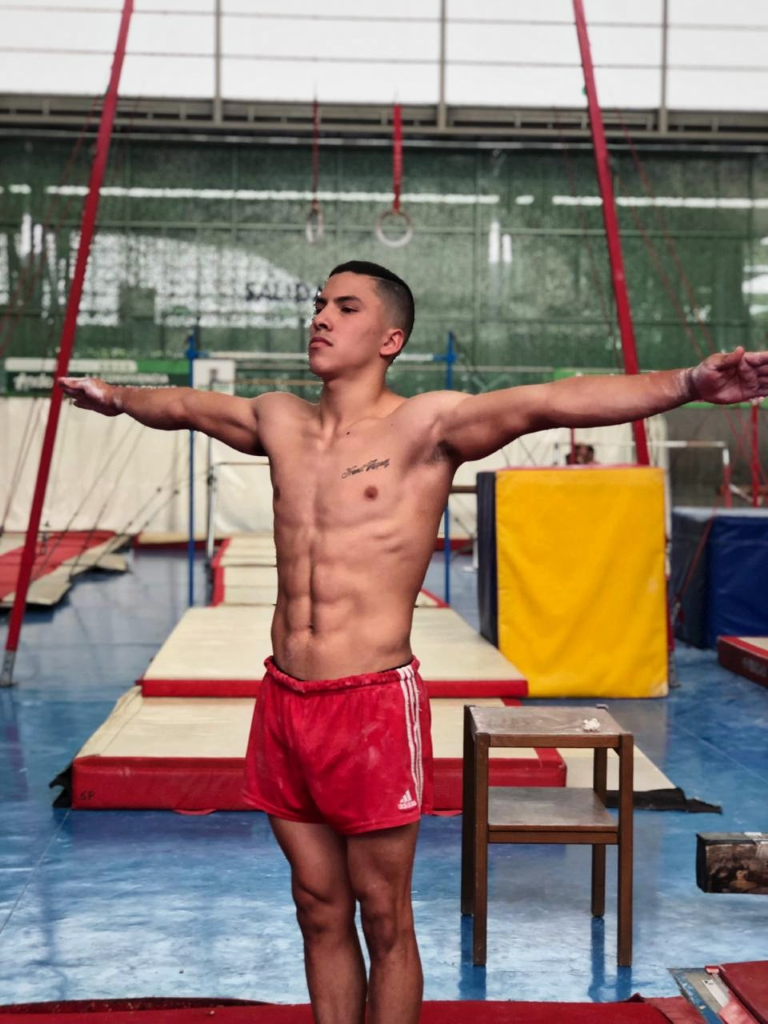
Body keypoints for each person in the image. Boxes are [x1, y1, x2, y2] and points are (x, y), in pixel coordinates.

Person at [59, 260, 768, 1024]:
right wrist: (116, 397)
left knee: (382, 912)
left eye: (346, 307)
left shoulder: (427, 427)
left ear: (389, 339)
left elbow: (549, 401)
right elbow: (185, 406)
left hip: (369, 707)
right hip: (284, 701)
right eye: (320, 304)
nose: (321, 317)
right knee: (316, 906)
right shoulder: (278, 419)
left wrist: (688, 383)